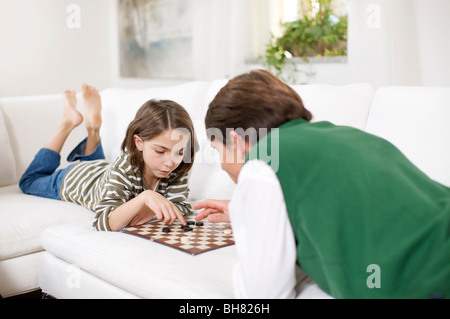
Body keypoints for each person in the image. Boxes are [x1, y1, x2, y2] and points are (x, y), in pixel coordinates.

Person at [194, 69, 450, 299]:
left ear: (238, 142)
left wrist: (248, 217)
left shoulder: (263, 161)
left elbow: (263, 295)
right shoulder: (347, 135)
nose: (222, 165)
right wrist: (248, 210)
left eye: (217, 150)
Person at [20, 84, 196, 231]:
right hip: (76, 178)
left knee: (100, 170)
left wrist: (151, 210)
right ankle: (67, 123)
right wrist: (145, 198)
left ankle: (93, 129)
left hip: (103, 170)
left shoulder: (176, 166)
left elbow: (181, 205)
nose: (170, 162)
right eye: (160, 151)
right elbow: (104, 221)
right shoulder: (125, 167)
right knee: (29, 180)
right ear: (139, 143)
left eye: (179, 152)